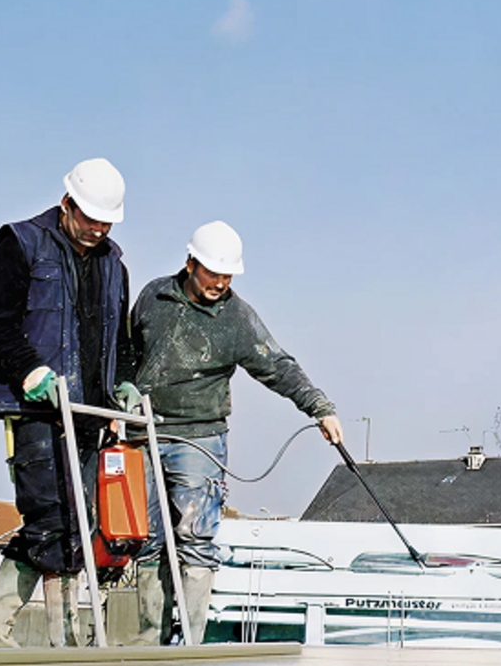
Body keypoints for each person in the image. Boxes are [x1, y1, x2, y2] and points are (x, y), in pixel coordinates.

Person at [124, 220, 344, 644]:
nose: (220, 283)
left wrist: (319, 407)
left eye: (227, 276)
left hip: (199, 438)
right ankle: (150, 640)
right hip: (142, 430)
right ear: (191, 263)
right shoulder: (153, 296)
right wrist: (122, 390)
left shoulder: (237, 318)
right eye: (213, 273)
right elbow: (126, 351)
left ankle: (190, 641)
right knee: (146, 539)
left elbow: (277, 365)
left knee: (194, 537)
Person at [0, 157, 130, 647]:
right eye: (90, 219)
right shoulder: (20, 242)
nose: (98, 230)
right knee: (51, 518)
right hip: (36, 406)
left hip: (90, 412)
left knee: (81, 520)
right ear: (67, 203)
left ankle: (59, 638)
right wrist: (30, 370)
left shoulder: (114, 264)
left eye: (107, 223)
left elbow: (119, 341)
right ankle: (0, 632)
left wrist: (124, 385)